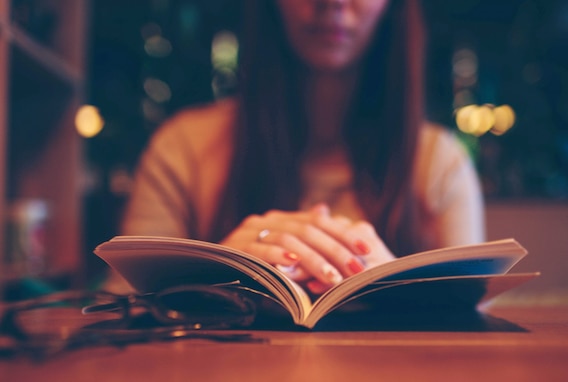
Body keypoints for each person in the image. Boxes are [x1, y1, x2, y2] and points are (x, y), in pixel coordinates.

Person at [118, 0, 485, 294]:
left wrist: (396, 290)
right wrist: (212, 277)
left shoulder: (440, 163)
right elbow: (122, 311)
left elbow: (469, 334)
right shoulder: (182, 148)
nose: (333, 3)